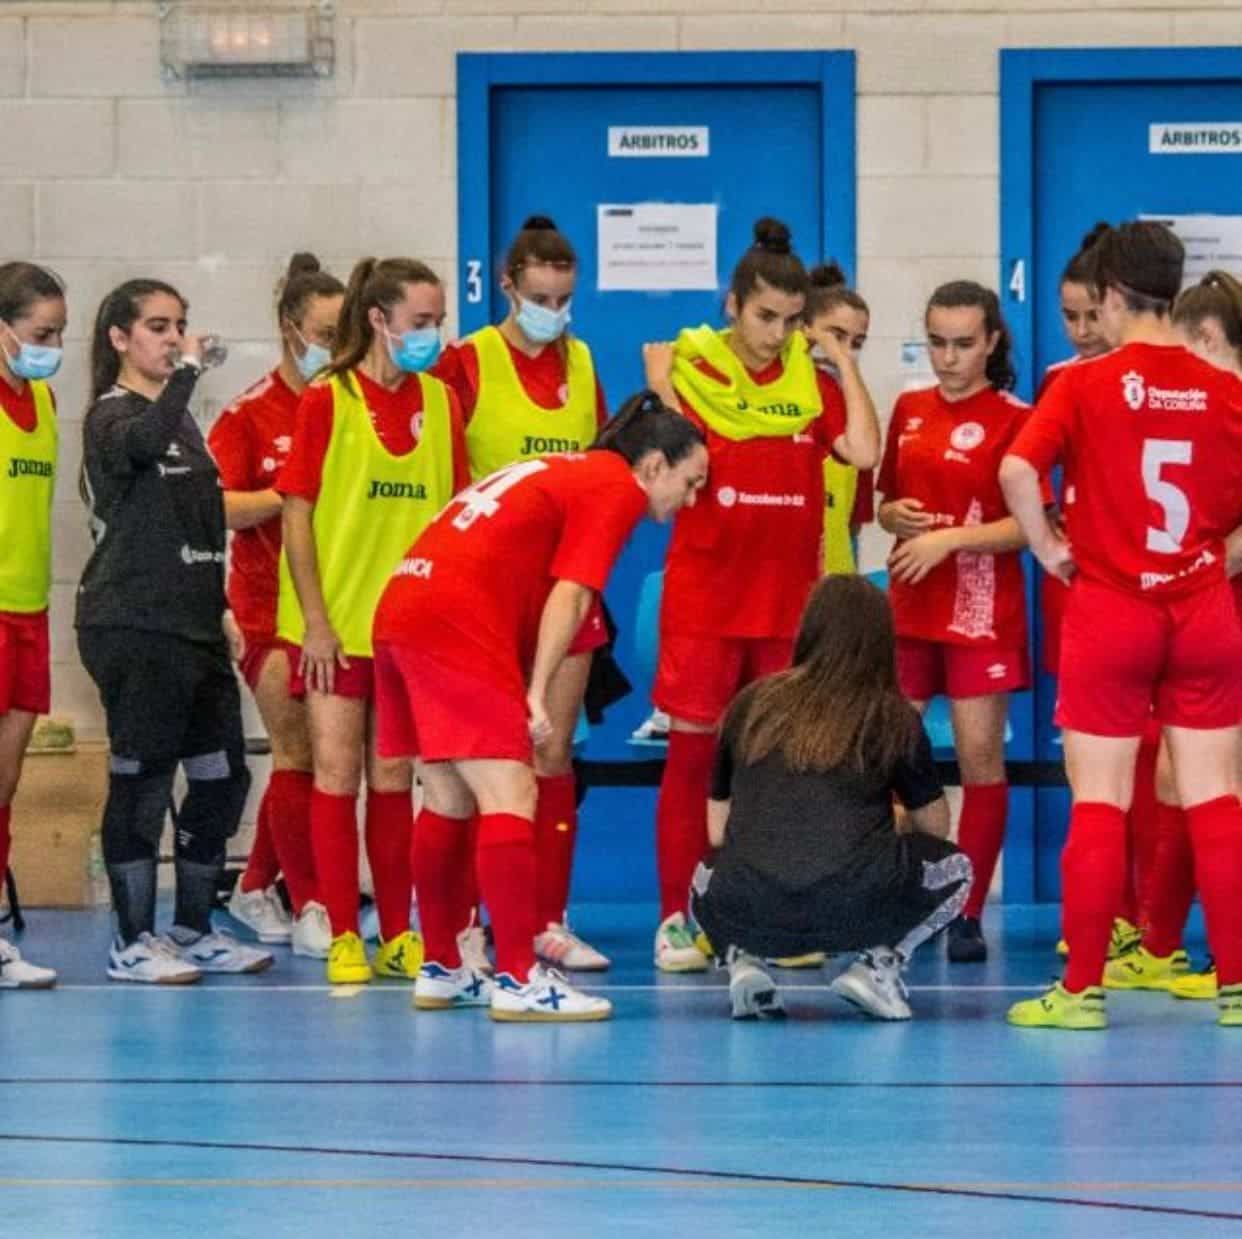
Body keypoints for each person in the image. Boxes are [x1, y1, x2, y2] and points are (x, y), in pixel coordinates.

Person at [372, 392, 709, 1021]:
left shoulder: (565, 471)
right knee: (512, 795)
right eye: (690, 483)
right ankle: (520, 980)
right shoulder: (616, 486)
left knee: (446, 797)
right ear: (655, 465)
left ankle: (442, 966)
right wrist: (535, 689)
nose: (689, 501)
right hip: (453, 620)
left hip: (401, 605)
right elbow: (573, 595)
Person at [1002, 221, 1242, 1030]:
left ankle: (1081, 993)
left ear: (1109, 294)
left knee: (1099, 799)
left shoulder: (1081, 382)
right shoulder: (1225, 389)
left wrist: (1048, 549)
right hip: (1203, 609)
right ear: (1174, 293)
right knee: (1216, 796)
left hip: (1110, 609)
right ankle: (1237, 987)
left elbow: (1016, 468)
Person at [642, 218, 880, 972]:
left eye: (789, 321)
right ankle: (680, 916)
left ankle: (769, 913)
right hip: (708, 599)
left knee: (779, 768)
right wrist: (657, 389)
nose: (775, 335)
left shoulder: (814, 380)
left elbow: (865, 452)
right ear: (732, 303)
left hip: (787, 606)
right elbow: (669, 466)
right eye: (762, 317)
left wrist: (843, 360)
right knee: (692, 760)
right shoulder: (687, 364)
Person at [276, 257, 469, 986]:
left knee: (395, 777)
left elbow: (452, 516)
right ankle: (338, 930)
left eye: (440, 321)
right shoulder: (329, 398)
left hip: (407, 629)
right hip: (337, 622)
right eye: (422, 322)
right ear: (380, 320)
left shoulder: (442, 403)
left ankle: (397, 931)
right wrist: (316, 621)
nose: (434, 335)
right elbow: (296, 515)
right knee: (335, 771)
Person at [78, 279, 271, 984]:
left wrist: (218, 606)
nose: (173, 337)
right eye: (158, 327)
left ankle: (192, 929)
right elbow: (143, 442)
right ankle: (132, 940)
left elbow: (197, 520)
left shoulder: (182, 424)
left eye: (180, 325)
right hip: (133, 624)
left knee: (223, 776)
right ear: (120, 339)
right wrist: (188, 371)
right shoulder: (112, 418)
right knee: (145, 780)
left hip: (193, 625)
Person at [434, 215, 611, 973]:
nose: (556, 312)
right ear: (507, 286)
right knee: (482, 769)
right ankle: (471, 927)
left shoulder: (582, 359)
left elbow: (600, 468)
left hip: (564, 590)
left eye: (566, 297)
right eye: (541, 296)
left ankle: (548, 919)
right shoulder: (464, 364)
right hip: (485, 592)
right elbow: (442, 483)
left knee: (552, 755)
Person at [691, 575, 972, 1020]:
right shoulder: (891, 714)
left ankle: (742, 959)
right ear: (882, 639)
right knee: (957, 868)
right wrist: (891, 822)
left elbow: (716, 831)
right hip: (853, 910)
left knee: (705, 874)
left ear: (808, 630)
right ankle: (877, 967)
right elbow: (935, 828)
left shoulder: (749, 704)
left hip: (752, 908)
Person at [877, 281, 1036, 965]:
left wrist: (949, 540)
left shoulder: (1016, 416)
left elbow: (1031, 526)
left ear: (992, 341)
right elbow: (882, 502)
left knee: (978, 759)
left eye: (963, 343)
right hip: (909, 608)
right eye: (937, 341)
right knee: (887, 758)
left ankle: (967, 909)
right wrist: (898, 518)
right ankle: (897, 894)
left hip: (978, 610)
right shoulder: (909, 406)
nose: (948, 357)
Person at [1102, 269, 1242, 1004]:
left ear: (1209, 340)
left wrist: (1197, 561)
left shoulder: (1228, 400)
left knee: (1215, 784)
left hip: (1220, 607)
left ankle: (1223, 960)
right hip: (1208, 607)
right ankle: (1161, 942)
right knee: (1180, 779)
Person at [208, 253, 344, 959]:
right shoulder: (249, 413)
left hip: (335, 605)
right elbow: (217, 507)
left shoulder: (347, 401)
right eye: (325, 330)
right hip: (266, 610)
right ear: (291, 329)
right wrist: (290, 494)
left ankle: (256, 881)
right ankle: (313, 897)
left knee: (327, 754)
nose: (335, 342)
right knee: (299, 751)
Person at [0, 262, 66, 990]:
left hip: (28, 610)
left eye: (58, 334)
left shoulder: (44, 399)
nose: (50, 346)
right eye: (39, 334)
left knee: (5, 781)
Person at [803, 262, 877, 577]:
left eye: (857, 343)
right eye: (837, 336)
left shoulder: (852, 401)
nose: (846, 351)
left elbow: (855, 521)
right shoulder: (789, 386)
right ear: (804, 326)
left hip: (830, 575)